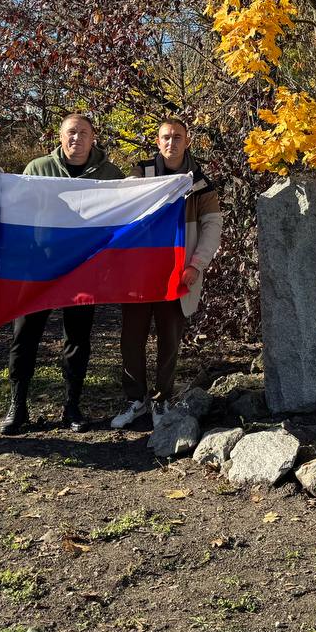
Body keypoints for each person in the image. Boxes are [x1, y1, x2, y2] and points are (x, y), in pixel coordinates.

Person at [1, 113, 125, 435]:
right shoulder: (37, 169)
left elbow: (125, 215)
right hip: (38, 268)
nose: (77, 138)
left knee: (78, 338)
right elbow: (18, 211)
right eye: (71, 132)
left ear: (93, 137)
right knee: (24, 336)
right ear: (60, 136)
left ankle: (72, 405)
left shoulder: (110, 174)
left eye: (84, 133)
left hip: (83, 269)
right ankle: (18, 405)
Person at [110, 118, 223, 428]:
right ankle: (136, 400)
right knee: (131, 338)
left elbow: (213, 227)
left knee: (169, 340)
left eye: (177, 137)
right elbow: (119, 211)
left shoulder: (200, 182)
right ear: (157, 142)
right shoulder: (140, 174)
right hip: (139, 273)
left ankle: (162, 401)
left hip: (177, 273)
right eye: (165, 137)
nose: (171, 142)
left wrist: (196, 265)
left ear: (187, 141)